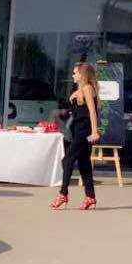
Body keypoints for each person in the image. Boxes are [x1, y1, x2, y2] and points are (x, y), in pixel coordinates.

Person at [51, 62, 102, 211]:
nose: (73, 75)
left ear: (82, 75)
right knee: (83, 163)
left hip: (84, 131)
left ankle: (63, 193)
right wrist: (61, 113)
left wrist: (94, 132)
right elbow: (78, 111)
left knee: (67, 160)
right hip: (78, 129)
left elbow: (92, 112)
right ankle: (90, 197)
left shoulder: (86, 88)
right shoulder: (81, 90)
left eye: (75, 73)